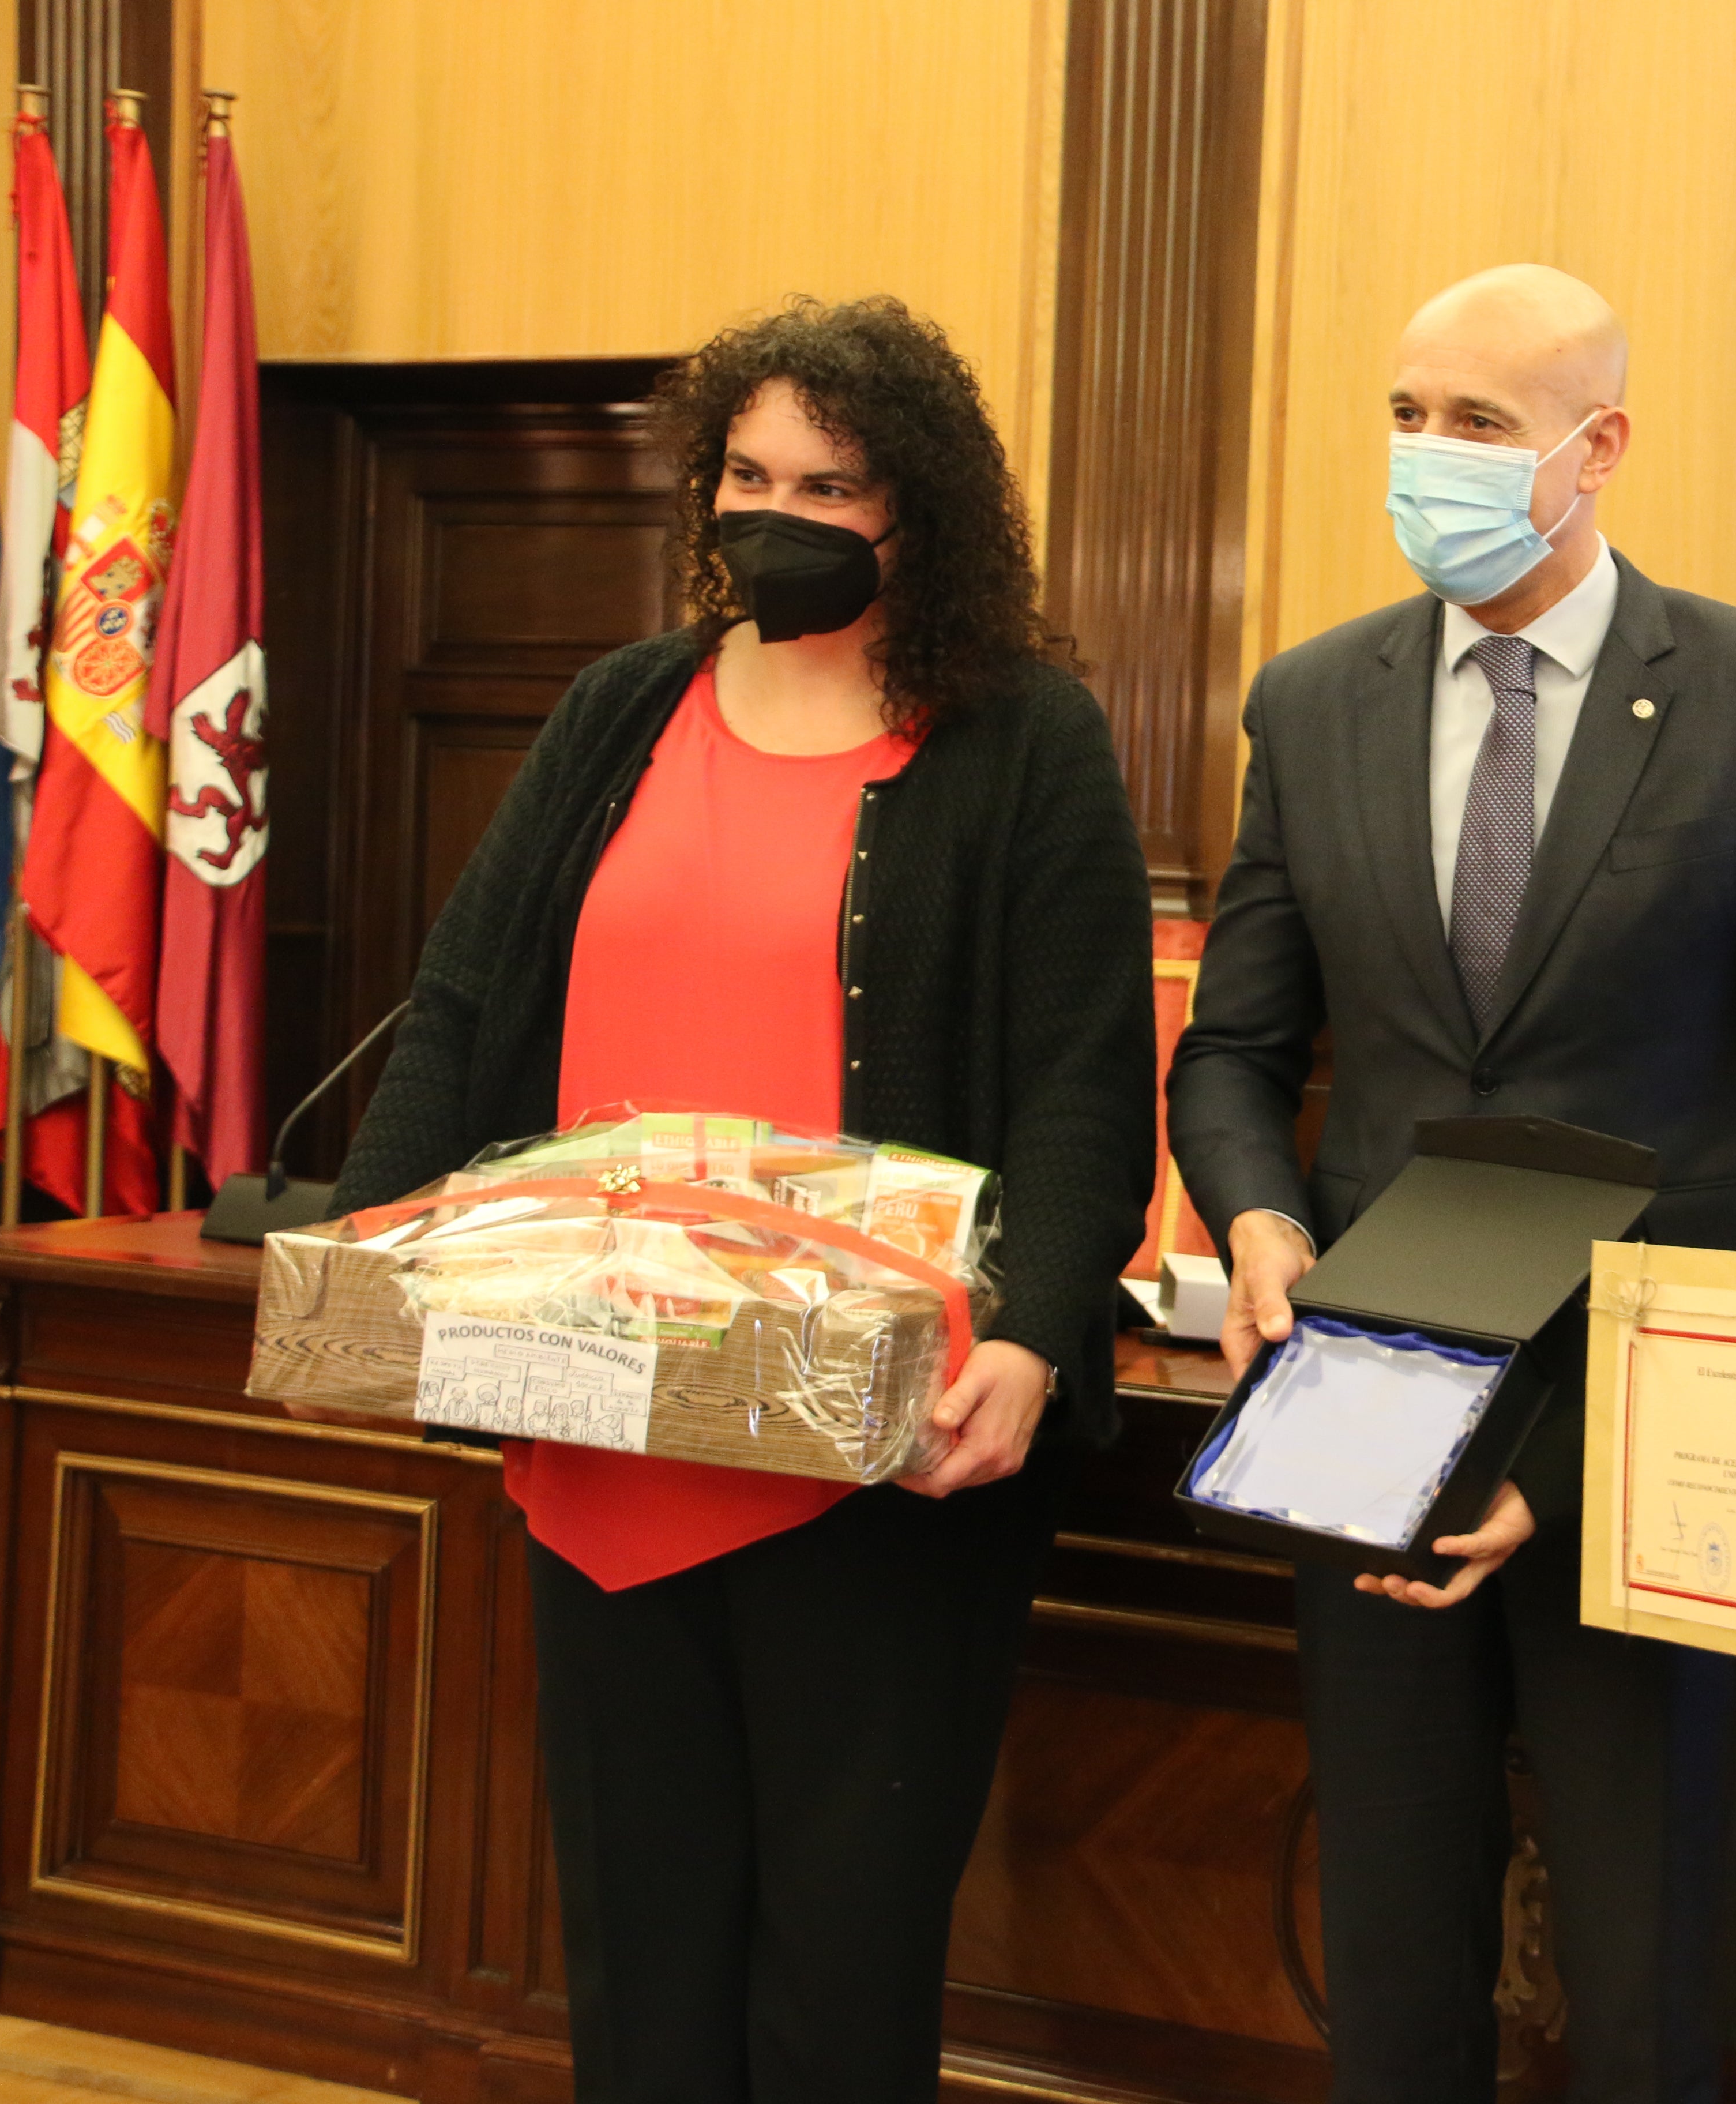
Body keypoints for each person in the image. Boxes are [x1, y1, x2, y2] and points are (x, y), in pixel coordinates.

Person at [325, 296, 1156, 2102]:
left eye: (831, 484)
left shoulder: (1024, 738)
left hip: (886, 1446)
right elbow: (467, 998)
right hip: (606, 1424)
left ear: (916, 512)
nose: (777, 512)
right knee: (641, 1973)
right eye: (748, 472)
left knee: (839, 1984)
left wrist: (1032, 1328)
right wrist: (363, 1264)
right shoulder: (621, 705)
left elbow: (1088, 1080)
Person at [1167, 263, 1736, 2102]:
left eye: (1478, 423)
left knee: (1657, 1967)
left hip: (1656, 1429)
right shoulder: (1314, 701)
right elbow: (1236, 1052)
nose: (1429, 456)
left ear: (1597, 447)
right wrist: (1256, 1217)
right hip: (1368, 1398)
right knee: (1393, 1949)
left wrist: (1591, 1448)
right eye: (1408, 414)